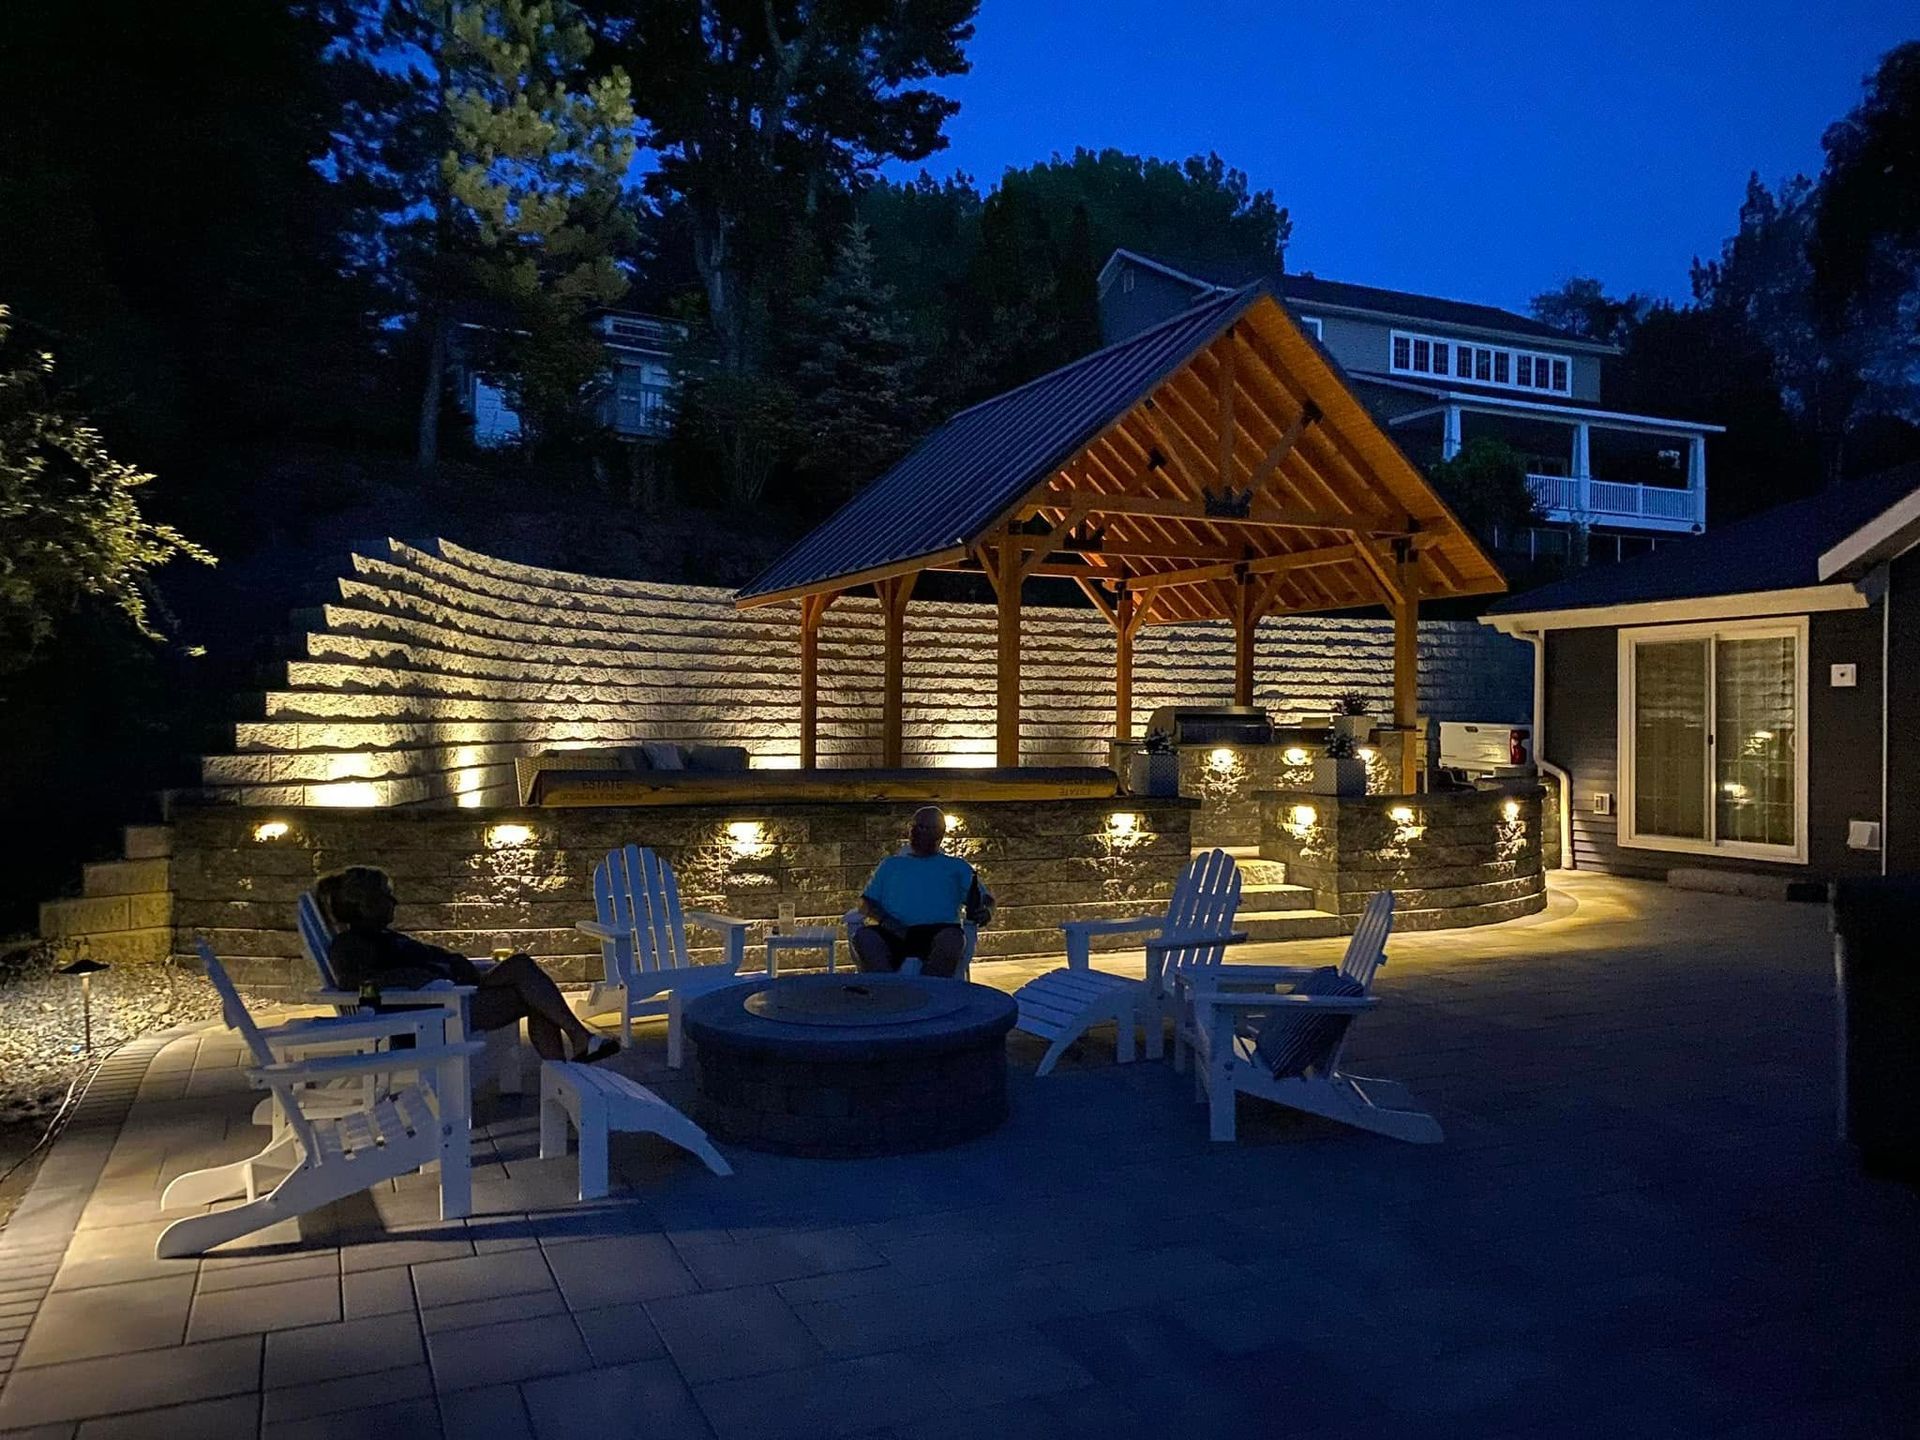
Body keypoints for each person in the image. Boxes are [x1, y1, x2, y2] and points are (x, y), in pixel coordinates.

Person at [316, 866, 617, 1064]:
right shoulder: (351, 944)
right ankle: (575, 1051)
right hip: (435, 1013)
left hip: (450, 996)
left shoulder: (380, 936)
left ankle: (573, 1056)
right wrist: (420, 977)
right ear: (366, 904)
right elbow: (356, 985)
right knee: (527, 979)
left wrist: (449, 965)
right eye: (386, 896)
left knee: (528, 981)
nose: (394, 902)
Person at [852, 806, 993, 979]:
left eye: (927, 828)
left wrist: (986, 910)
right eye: (916, 826)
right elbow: (864, 902)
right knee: (864, 937)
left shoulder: (956, 867)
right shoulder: (890, 865)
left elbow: (985, 898)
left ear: (940, 834)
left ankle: (931, 993)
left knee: (952, 940)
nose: (919, 832)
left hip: (938, 931)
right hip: (894, 930)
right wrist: (886, 921)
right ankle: (889, 991)